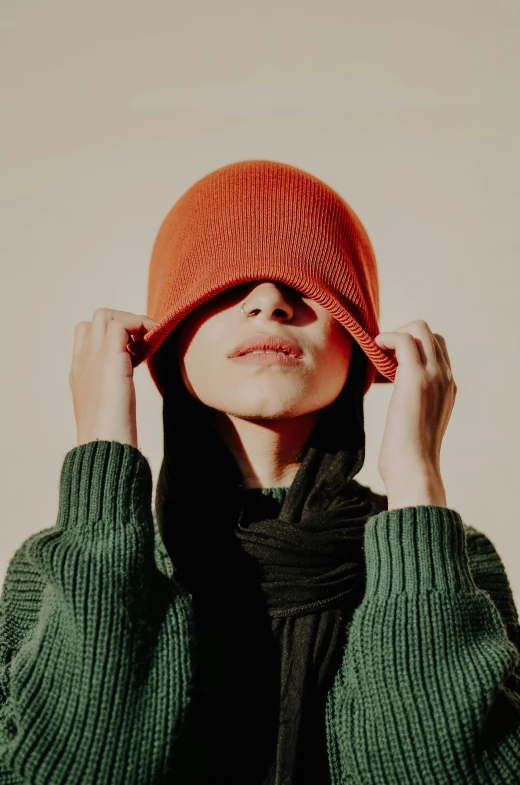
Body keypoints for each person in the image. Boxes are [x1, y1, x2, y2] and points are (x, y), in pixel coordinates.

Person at [1, 160, 519, 784]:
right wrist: (104, 453)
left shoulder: (453, 560)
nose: (270, 300)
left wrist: (416, 482)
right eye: (222, 284)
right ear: (169, 337)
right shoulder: (60, 566)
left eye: (308, 283)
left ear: (358, 348)